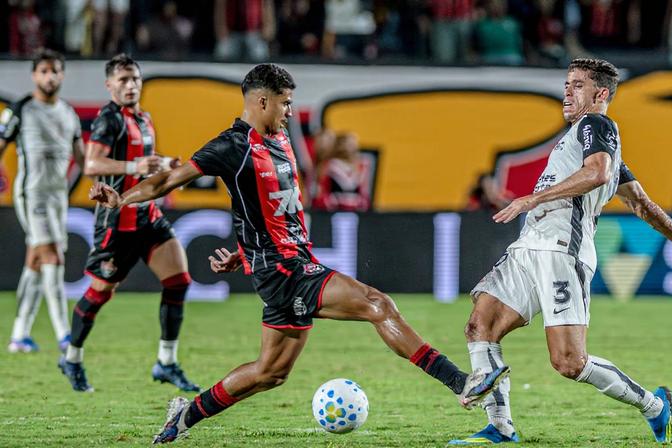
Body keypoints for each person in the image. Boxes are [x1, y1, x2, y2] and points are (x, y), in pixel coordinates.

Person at [88, 63, 509, 444]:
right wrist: (118, 200)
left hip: (284, 262)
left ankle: (185, 416)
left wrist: (243, 250)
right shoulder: (231, 146)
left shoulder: (280, 139)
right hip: (284, 270)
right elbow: (166, 182)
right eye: (286, 103)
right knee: (377, 304)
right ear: (262, 101)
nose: (291, 111)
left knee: (270, 372)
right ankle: (461, 382)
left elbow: (271, 208)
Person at [449, 58, 672, 445]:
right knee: (481, 325)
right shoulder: (588, 141)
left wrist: (531, 199)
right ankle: (501, 429)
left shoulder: (597, 126)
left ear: (600, 94)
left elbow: (598, 174)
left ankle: (655, 406)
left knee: (569, 363)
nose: (567, 91)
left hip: (562, 249)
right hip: (530, 247)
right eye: (567, 83)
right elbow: (642, 204)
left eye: (577, 85)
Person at [58, 53, 199, 394]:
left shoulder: (144, 118)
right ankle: (72, 358)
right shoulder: (109, 119)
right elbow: (92, 164)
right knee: (100, 293)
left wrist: (163, 163)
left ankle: (166, 362)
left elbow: (142, 161)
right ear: (109, 85)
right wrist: (135, 167)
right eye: (123, 80)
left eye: (135, 78)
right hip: (116, 223)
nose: (131, 85)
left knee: (179, 281)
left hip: (148, 217)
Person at [0, 49, 83, 355]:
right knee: (52, 255)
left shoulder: (68, 113)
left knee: (36, 258)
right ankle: (64, 333)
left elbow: (82, 160)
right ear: (34, 75)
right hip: (31, 194)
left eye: (55, 71)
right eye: (44, 71)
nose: (50, 76)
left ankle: (19, 334)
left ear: (62, 75)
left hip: (57, 196)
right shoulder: (20, 109)